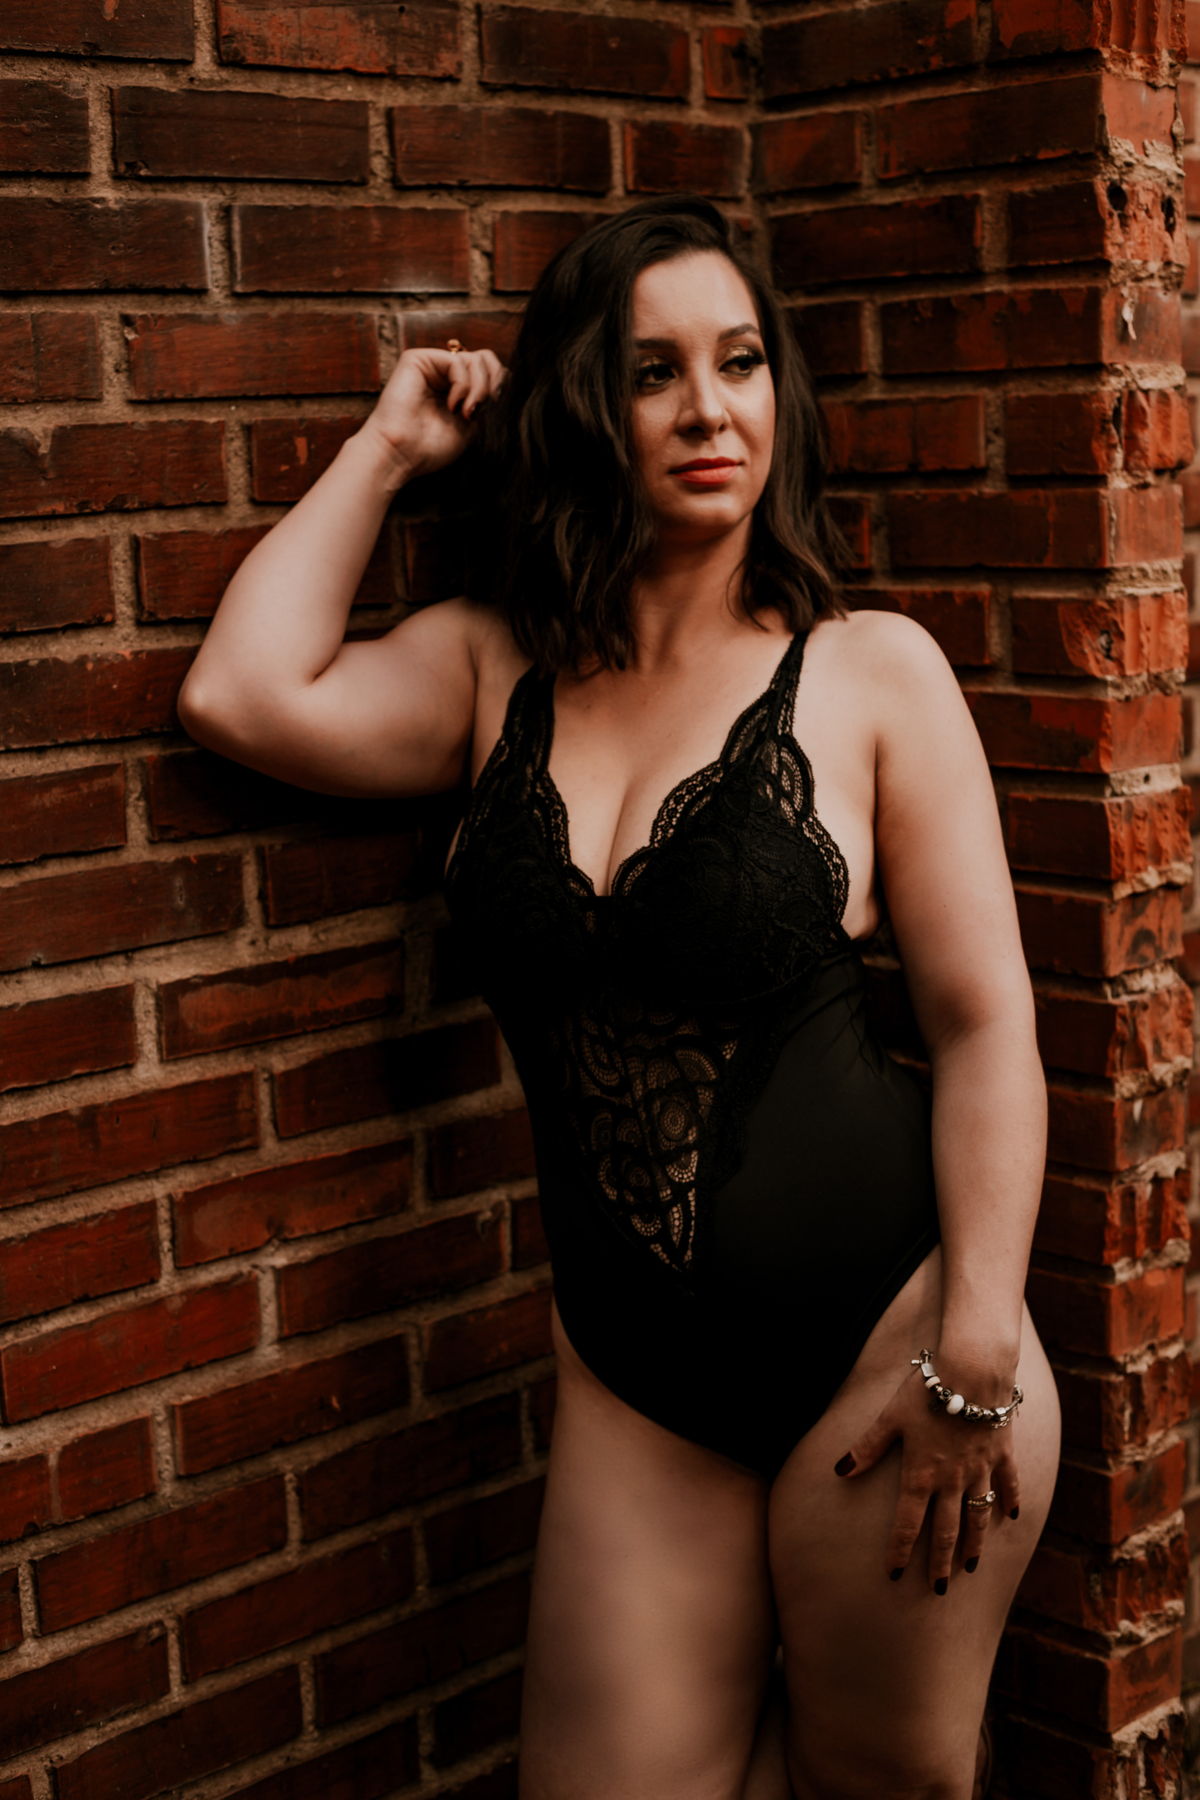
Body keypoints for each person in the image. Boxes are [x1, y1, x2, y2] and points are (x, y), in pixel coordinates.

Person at [178, 196, 1061, 1800]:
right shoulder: (488, 668)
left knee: (885, 1783)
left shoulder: (872, 673)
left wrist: (978, 1354)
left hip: (894, 1357)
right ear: (590, 405)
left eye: (740, 362)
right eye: (655, 373)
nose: (710, 410)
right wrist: (389, 449)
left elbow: (985, 1022)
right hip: (636, 1388)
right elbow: (241, 696)